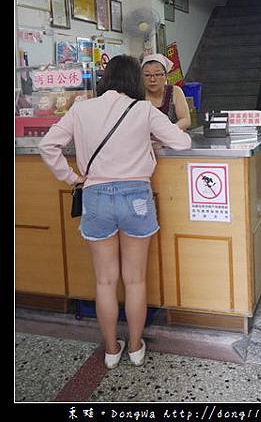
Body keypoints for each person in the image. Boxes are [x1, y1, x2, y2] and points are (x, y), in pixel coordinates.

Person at [38, 55, 191, 369]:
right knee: (134, 280)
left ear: (106, 78)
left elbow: (47, 145)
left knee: (105, 281)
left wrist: (71, 177)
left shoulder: (81, 108)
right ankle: (135, 348)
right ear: (135, 80)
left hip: (95, 196)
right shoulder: (143, 109)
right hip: (136, 195)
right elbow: (183, 141)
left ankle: (110, 350)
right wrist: (148, 139)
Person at [141, 53, 191, 130]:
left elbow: (185, 120)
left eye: (157, 74)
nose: (152, 80)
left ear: (166, 76)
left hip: (171, 139)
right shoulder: (138, 94)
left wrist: (167, 131)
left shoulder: (175, 91)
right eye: (147, 75)